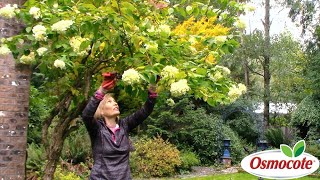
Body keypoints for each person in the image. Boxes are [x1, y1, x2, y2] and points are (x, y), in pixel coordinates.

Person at [82, 72, 158, 180]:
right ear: (101, 111)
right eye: (109, 102)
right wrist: (103, 89)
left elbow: (145, 111)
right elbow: (86, 115)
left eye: (115, 102)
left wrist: (153, 86)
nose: (115, 104)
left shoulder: (124, 125)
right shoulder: (97, 129)